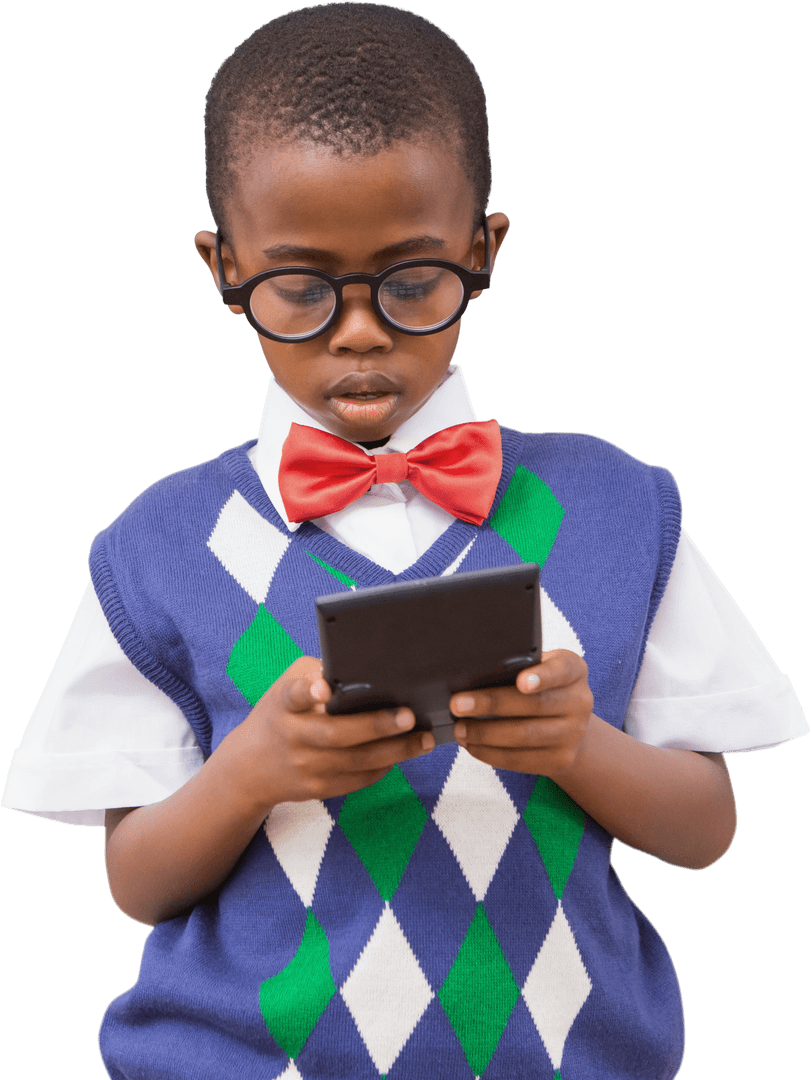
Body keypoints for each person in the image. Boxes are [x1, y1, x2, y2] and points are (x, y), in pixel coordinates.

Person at [2, 4, 807, 1078]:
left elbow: (706, 828)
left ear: (483, 249)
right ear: (222, 268)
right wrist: (250, 773)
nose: (361, 327)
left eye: (411, 280)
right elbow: (136, 882)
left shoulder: (618, 509)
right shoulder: (157, 548)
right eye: (300, 286)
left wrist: (578, 746)